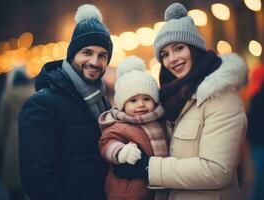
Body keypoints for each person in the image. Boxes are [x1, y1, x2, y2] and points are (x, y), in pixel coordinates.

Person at [114, 3, 248, 200]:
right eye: (165, 54)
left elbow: (216, 170)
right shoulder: (176, 98)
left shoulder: (221, 96)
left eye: (179, 48)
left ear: (193, 49)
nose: (173, 59)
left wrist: (149, 167)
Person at [18, 4, 113, 200]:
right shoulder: (41, 105)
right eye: (87, 52)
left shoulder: (103, 102)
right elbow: (38, 180)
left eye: (102, 55)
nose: (95, 62)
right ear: (72, 55)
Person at [99, 56, 169, 200]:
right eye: (133, 100)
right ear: (122, 104)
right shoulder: (119, 125)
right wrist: (121, 152)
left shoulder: (161, 121)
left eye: (147, 99)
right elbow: (106, 143)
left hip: (159, 189)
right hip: (128, 193)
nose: (141, 105)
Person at [0, 68, 33, 200]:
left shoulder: (8, 95)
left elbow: (1, 121)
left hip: (12, 136)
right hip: (31, 132)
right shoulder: (32, 92)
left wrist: (0, 141)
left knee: (14, 177)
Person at [246, 66, 264, 200]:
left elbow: (250, 121)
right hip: (258, 143)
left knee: (259, 177)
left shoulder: (255, 96)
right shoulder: (256, 96)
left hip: (257, 143)